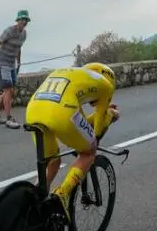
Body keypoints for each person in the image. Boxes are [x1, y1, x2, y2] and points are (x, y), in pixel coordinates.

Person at [24, 62, 121, 220]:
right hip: (62, 112)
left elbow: (79, 119)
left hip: (34, 110)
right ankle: (62, 194)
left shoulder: (74, 75)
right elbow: (97, 130)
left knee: (52, 163)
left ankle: (33, 202)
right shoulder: (106, 86)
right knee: (89, 151)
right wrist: (110, 115)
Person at [0, 10, 30, 129]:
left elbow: (18, 48)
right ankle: (9, 118)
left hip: (12, 64)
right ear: (18, 20)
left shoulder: (24, 34)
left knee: (8, 91)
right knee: (8, 89)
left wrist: (19, 62)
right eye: (22, 19)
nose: (24, 22)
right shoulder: (9, 31)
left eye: (26, 20)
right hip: (2, 62)